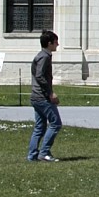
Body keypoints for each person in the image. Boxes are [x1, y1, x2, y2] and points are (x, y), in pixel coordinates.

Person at [26, 30, 60, 162]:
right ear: (49, 43)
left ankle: (32, 155)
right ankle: (44, 153)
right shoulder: (44, 57)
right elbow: (39, 76)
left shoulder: (42, 56)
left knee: (40, 127)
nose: (57, 44)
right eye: (55, 42)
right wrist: (50, 93)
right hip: (42, 97)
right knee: (55, 123)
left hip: (36, 96)